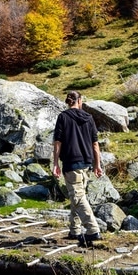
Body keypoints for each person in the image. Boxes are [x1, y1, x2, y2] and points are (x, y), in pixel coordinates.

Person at [52, 90, 103, 246]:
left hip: (71, 162)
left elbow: (57, 143)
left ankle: (93, 230)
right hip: (86, 162)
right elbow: (95, 144)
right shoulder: (89, 118)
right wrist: (97, 164)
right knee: (77, 194)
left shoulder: (63, 117)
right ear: (79, 100)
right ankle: (74, 230)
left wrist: (55, 163)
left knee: (77, 196)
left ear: (68, 101)